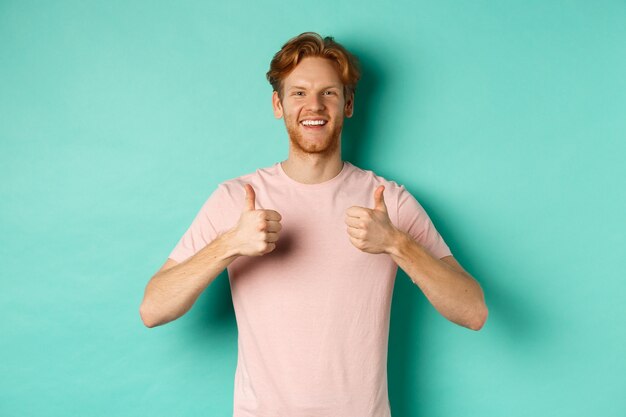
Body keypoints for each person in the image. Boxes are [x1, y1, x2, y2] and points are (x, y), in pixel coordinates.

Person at [140, 32, 488, 417]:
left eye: (329, 93)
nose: (314, 105)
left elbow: (472, 311)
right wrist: (229, 244)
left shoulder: (389, 201)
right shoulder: (235, 199)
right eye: (299, 93)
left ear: (348, 104)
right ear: (278, 104)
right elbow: (153, 308)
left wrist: (396, 243)